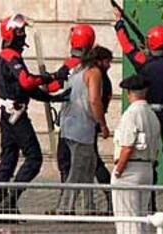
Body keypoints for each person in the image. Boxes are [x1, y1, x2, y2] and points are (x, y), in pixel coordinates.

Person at [0, 13, 65, 219]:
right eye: (20, 31)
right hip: (14, 114)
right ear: (10, 34)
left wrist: (54, 97)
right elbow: (26, 81)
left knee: (8, 159)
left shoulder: (11, 55)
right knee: (34, 158)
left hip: (8, 113)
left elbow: (26, 88)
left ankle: (1, 207)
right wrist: (49, 76)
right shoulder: (9, 55)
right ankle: (8, 201)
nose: (23, 35)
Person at [112, 8, 163, 211]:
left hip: (151, 114)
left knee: (151, 159)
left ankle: (151, 203)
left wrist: (120, 24)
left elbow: (127, 47)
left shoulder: (144, 62)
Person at [53, 24, 113, 214]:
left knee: (89, 167)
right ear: (101, 60)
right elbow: (95, 100)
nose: (110, 66)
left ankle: (89, 207)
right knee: (79, 170)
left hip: (68, 126)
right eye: (108, 62)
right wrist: (102, 125)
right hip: (82, 129)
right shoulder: (94, 73)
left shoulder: (77, 70)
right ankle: (66, 208)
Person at [112, 74, 160, 234]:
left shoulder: (131, 114)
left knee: (127, 218)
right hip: (147, 168)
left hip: (129, 169)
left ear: (129, 92)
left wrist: (118, 170)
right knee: (141, 216)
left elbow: (127, 146)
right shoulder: (152, 114)